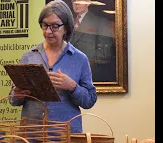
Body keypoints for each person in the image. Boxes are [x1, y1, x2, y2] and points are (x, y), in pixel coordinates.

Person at [8, 0, 97, 133]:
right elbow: (12, 100)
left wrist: (72, 87)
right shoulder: (28, 57)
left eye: (55, 26)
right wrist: (17, 94)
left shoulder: (80, 59)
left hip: (65, 138)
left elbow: (89, 100)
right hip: (32, 137)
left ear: (66, 28)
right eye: (45, 25)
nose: (48, 32)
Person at [69, 0, 116, 82]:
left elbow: (105, 55)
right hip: (70, 75)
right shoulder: (68, 22)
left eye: (80, 0)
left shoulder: (101, 22)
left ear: (89, 2)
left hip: (91, 76)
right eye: (74, 0)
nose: (76, 4)